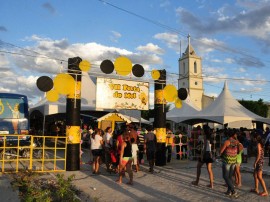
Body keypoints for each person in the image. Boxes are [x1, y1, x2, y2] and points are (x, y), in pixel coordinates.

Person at [220, 129, 242, 197]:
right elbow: (241, 148)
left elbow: (221, 151)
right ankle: (229, 191)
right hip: (233, 161)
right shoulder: (236, 142)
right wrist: (236, 152)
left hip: (227, 161)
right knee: (230, 177)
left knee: (225, 176)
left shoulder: (227, 141)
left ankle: (233, 190)